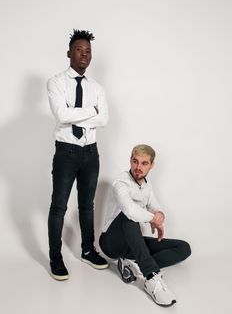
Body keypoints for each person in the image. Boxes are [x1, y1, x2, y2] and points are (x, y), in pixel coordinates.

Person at [47, 29, 109, 281]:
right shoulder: (56, 82)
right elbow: (61, 115)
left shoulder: (97, 88)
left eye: (88, 51)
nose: (84, 54)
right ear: (69, 53)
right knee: (59, 207)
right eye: (79, 50)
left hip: (91, 154)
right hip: (66, 153)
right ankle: (55, 257)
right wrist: (90, 111)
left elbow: (104, 119)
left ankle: (87, 249)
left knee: (87, 205)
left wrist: (78, 111)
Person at [99, 144, 191, 307]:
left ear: (152, 165)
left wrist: (160, 215)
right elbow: (130, 211)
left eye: (144, 163)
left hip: (133, 243)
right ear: (130, 161)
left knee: (183, 248)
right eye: (135, 161)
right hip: (110, 242)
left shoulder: (146, 187)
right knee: (129, 217)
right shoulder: (121, 182)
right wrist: (153, 219)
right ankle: (151, 276)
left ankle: (135, 263)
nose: (138, 167)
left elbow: (156, 207)